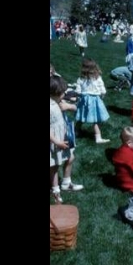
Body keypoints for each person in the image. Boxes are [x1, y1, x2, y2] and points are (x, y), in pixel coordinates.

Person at [50, 76, 84, 204]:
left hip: (62, 138)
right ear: (54, 93)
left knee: (70, 157)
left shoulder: (56, 102)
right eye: (62, 92)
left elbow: (72, 107)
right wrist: (57, 142)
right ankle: (55, 191)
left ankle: (66, 182)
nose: (65, 94)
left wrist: (71, 105)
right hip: (55, 142)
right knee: (54, 166)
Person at [75, 58, 111, 144]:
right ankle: (98, 137)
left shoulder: (81, 78)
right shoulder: (98, 78)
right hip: (95, 100)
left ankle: (75, 132)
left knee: (81, 117)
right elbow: (103, 90)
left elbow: (78, 91)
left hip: (84, 100)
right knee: (96, 119)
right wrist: (102, 95)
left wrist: (81, 96)